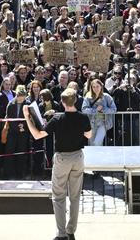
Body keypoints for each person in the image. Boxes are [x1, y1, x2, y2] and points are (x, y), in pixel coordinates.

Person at [24, 88, 92, 240]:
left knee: (59, 196)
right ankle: (70, 230)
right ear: (75, 101)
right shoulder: (83, 117)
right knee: (75, 196)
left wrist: (27, 118)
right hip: (78, 157)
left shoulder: (57, 119)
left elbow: (37, 135)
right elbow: (89, 135)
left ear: (62, 102)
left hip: (62, 159)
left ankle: (61, 233)